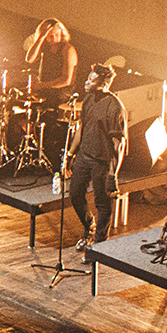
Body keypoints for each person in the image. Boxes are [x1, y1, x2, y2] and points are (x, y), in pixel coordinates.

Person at [65, 63, 128, 244]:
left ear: (104, 83)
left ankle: (99, 245)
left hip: (102, 161)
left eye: (92, 79)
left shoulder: (114, 106)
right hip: (84, 156)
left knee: (102, 204)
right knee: (75, 195)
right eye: (88, 78)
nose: (87, 82)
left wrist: (112, 175)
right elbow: (81, 128)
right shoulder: (89, 99)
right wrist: (70, 155)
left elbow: (119, 144)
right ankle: (89, 227)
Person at [22, 18, 78, 100]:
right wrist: (41, 37)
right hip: (45, 89)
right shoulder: (46, 46)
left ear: (62, 33)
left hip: (61, 94)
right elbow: (29, 59)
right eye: (50, 36)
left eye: (56, 35)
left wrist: (41, 85)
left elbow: (66, 80)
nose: (54, 39)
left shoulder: (68, 49)